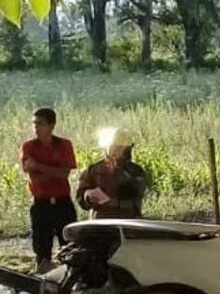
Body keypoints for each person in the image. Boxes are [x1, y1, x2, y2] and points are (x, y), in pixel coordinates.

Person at [19, 108, 78, 274]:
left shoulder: (64, 145)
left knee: (70, 245)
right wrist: (53, 171)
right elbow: (34, 178)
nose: (36, 127)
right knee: (42, 249)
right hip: (41, 203)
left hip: (62, 202)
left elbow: (64, 173)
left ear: (51, 126)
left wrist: (38, 166)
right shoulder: (28, 146)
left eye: (40, 124)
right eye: (34, 124)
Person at [76, 127, 147, 219]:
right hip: (100, 224)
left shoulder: (136, 170)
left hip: (127, 222)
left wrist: (118, 172)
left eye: (119, 147)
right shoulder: (93, 170)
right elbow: (81, 197)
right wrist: (88, 196)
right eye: (112, 146)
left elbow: (136, 191)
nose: (115, 149)